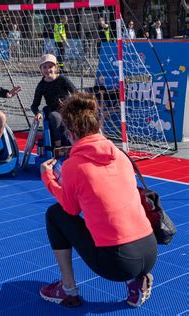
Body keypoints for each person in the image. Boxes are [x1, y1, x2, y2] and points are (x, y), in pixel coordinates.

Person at [39, 92, 157, 308]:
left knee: (55, 214)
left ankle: (67, 290)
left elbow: (71, 209)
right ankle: (136, 282)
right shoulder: (121, 155)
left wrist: (48, 178)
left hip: (118, 263)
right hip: (150, 252)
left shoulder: (73, 166)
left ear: (71, 133)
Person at [31, 54, 76, 147]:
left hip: (67, 109)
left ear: (55, 67)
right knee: (56, 117)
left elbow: (75, 92)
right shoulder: (41, 85)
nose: (48, 70)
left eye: (50, 67)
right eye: (45, 67)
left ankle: (79, 144)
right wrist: (37, 113)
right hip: (54, 111)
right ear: (41, 69)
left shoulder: (62, 79)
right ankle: (58, 147)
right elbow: (34, 105)